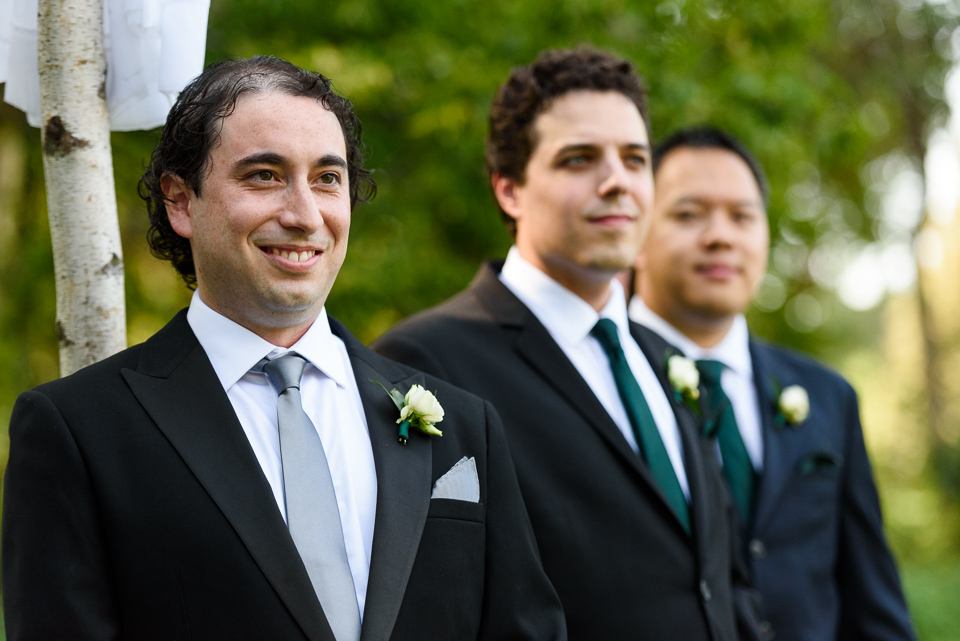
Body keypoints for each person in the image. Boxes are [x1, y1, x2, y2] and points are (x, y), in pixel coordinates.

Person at [2, 56, 566, 641]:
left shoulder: (465, 426)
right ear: (179, 201)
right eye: (264, 175)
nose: (304, 215)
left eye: (327, 178)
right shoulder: (77, 430)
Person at [374, 48, 760, 641]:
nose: (617, 182)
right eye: (579, 159)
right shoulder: (428, 364)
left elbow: (721, 583)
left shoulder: (669, 363)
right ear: (510, 190)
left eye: (635, 159)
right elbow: (435, 608)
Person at [630, 126, 915, 641]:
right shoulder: (600, 387)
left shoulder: (829, 396)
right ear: (635, 236)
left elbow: (872, 598)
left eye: (742, 216)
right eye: (688, 214)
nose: (721, 235)